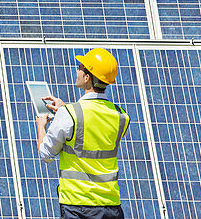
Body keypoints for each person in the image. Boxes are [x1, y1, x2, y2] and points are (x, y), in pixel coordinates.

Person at [35, 48, 130, 219]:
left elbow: (46, 154)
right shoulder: (121, 116)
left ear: (87, 78)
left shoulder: (70, 115)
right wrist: (65, 111)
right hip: (111, 206)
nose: (77, 70)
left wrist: (42, 126)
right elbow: (93, 125)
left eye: (80, 67)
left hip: (77, 207)